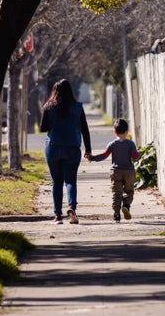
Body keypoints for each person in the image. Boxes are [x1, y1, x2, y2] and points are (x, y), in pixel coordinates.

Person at [40, 79, 92, 224]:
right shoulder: (77, 107)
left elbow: (43, 128)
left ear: (54, 92)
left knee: (56, 181)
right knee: (70, 180)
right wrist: (88, 149)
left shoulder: (48, 106)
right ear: (70, 91)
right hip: (72, 148)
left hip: (53, 148)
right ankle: (72, 208)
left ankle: (57, 216)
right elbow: (84, 129)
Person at [86, 118, 140, 222]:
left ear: (114, 131)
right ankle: (126, 205)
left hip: (115, 171)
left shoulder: (112, 144)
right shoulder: (130, 144)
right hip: (129, 171)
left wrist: (92, 158)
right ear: (127, 131)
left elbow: (104, 156)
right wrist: (139, 155)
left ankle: (116, 214)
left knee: (116, 193)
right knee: (129, 191)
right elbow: (135, 156)